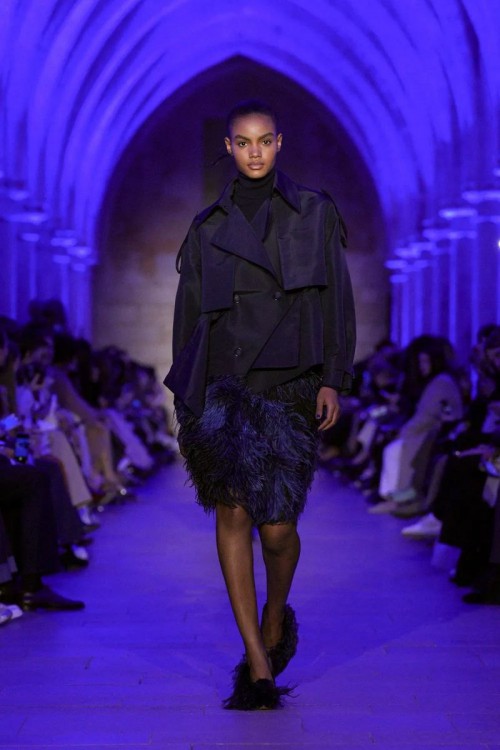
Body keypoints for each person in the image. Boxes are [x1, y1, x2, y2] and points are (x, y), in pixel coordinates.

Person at [165, 99, 356, 710]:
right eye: (243, 142)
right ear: (228, 147)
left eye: (264, 141)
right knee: (233, 517)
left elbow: (337, 301)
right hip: (223, 390)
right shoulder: (207, 228)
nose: (254, 152)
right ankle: (257, 661)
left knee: (278, 531)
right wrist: (188, 401)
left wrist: (333, 378)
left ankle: (276, 616)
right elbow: (188, 321)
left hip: (291, 387)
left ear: (279, 143)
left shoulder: (314, 213)